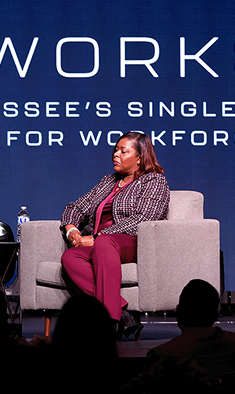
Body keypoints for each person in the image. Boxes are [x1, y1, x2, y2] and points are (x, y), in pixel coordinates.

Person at [60, 131, 169, 339]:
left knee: (105, 243)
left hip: (133, 242)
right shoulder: (108, 181)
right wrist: (72, 231)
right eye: (115, 150)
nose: (115, 155)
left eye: (123, 151)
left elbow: (144, 218)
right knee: (70, 257)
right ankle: (123, 313)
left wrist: (98, 236)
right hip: (102, 244)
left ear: (139, 158)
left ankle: (108, 323)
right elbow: (75, 207)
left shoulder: (153, 181)